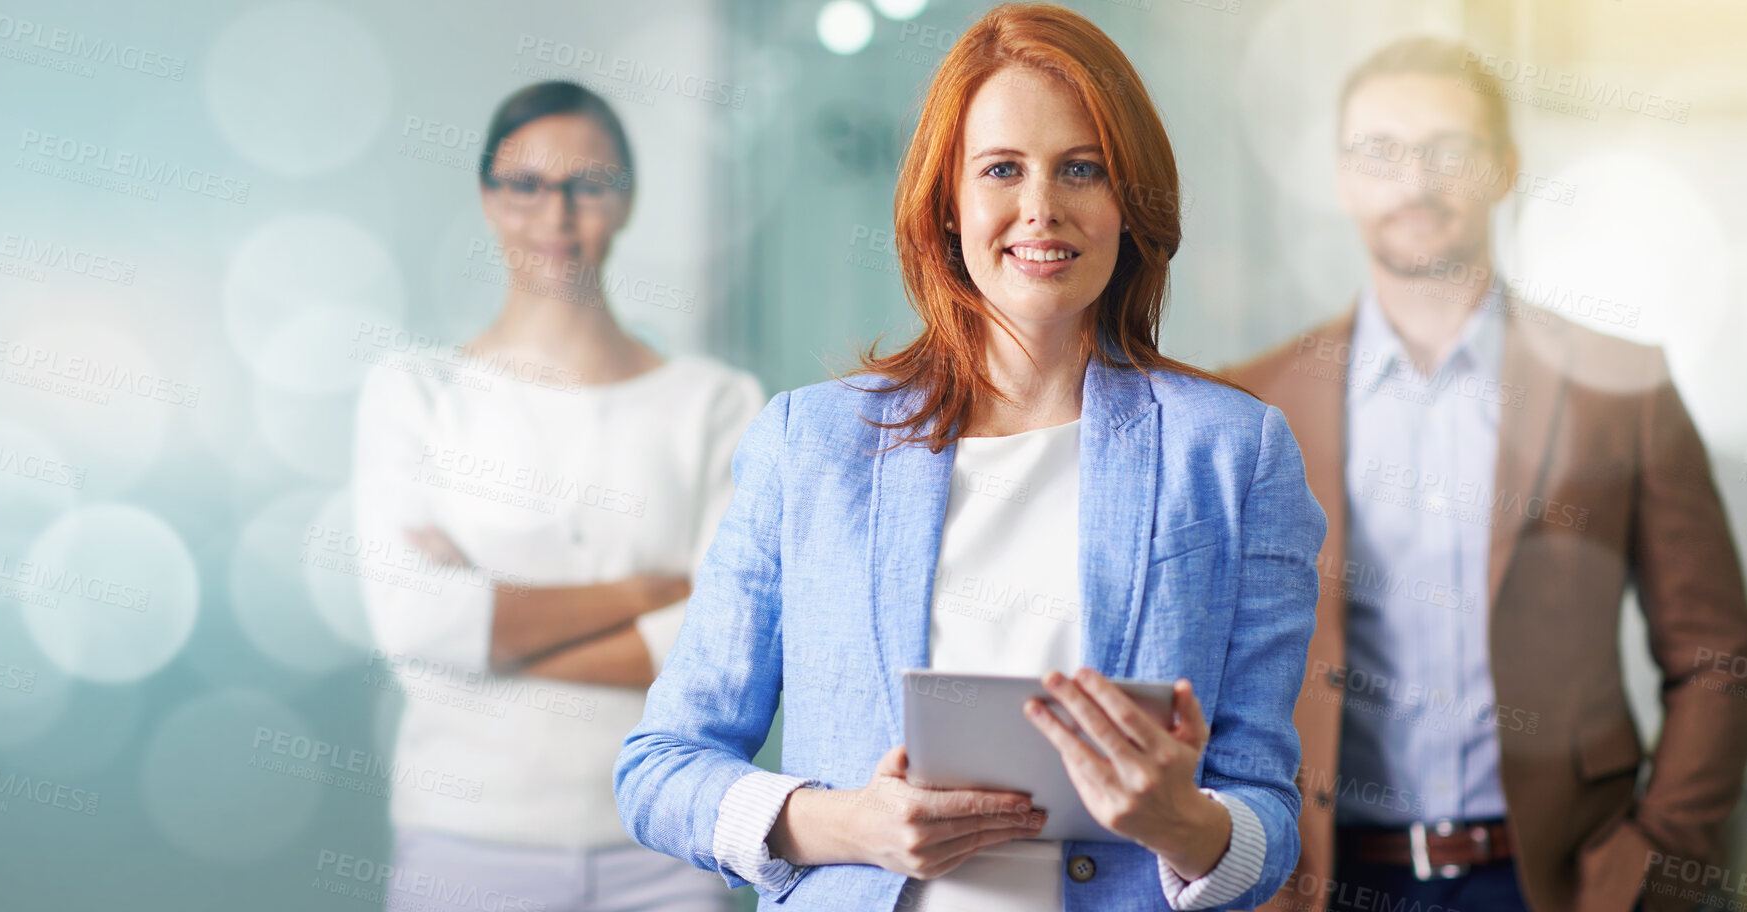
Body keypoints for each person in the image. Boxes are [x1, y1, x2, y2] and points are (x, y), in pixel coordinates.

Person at [613, 5, 1324, 910]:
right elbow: (658, 769)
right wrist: (850, 824)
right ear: (948, 203)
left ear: (1128, 203)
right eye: (1000, 169)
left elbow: (1265, 817)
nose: (1041, 209)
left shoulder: (1232, 453)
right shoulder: (811, 446)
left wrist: (1179, 821)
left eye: (1082, 169)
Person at [1227, 36, 1747, 912]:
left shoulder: (1622, 387)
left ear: (1504, 169)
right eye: (1379, 152)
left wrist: (1654, 855)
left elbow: (1718, 658)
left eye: (1449, 151)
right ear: (1343, 179)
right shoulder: (1256, 402)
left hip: (1553, 880)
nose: (1415, 183)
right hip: (1326, 880)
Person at [351, 81, 765, 912]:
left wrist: (488, 632)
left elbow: (716, 651)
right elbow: (414, 623)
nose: (557, 214)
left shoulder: (716, 403)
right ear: (487, 199)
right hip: (462, 847)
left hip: (664, 843)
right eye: (526, 186)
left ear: (625, 199)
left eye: (587, 185)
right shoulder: (416, 392)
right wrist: (647, 596)